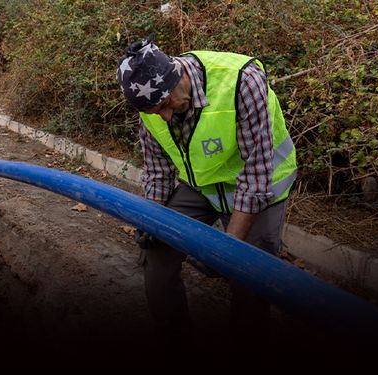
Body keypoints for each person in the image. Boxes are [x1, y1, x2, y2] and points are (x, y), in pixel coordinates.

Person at [116, 36, 297, 351]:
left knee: (249, 275)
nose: (165, 117)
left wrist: (228, 251)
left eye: (167, 104)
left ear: (178, 77)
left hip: (261, 184)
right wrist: (151, 220)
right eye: (155, 111)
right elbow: (157, 171)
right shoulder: (150, 103)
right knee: (156, 251)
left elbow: (255, 178)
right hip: (202, 186)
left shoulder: (241, 80)